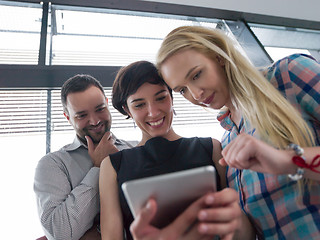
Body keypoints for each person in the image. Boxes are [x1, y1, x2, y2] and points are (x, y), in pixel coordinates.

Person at [130, 26, 320, 239]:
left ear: (219, 56)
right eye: (182, 90)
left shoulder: (289, 76)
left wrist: (286, 160)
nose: (196, 94)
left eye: (197, 75)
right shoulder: (227, 143)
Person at [97, 61, 254, 240]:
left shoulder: (211, 148)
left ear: (171, 97)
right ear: (127, 110)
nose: (153, 112)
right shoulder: (112, 166)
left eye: (161, 97)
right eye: (139, 105)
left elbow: (240, 230)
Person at [34, 74, 136, 240]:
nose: (95, 121)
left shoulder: (136, 148)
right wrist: (98, 168)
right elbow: (60, 234)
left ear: (107, 105)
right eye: (82, 115)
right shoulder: (53, 164)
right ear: (68, 118)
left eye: (100, 109)